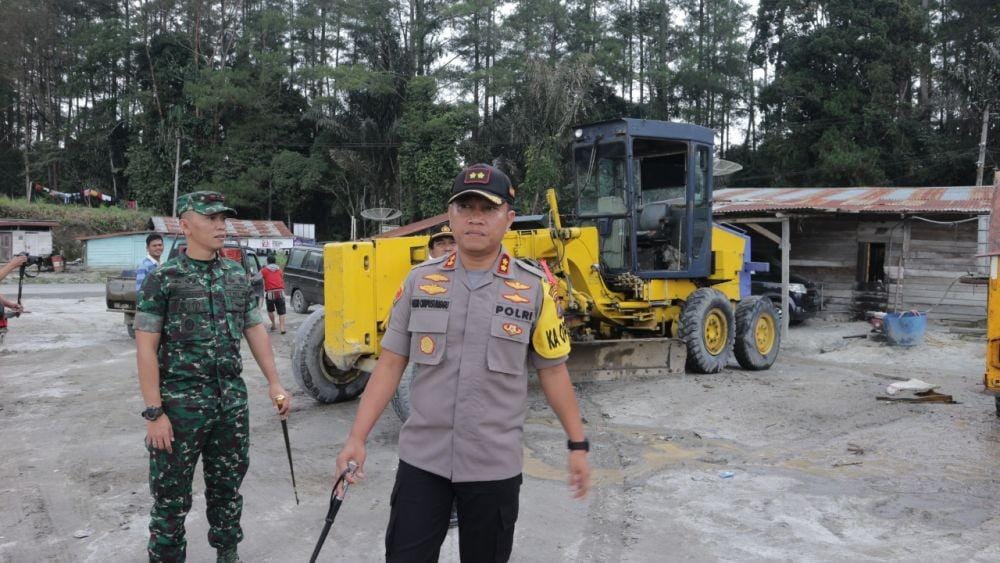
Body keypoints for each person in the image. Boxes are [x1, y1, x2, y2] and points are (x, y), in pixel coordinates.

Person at [335, 164, 590, 562]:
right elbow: (389, 364)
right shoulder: (419, 282)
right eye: (464, 206)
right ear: (450, 216)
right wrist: (357, 437)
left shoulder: (535, 289)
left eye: (487, 208)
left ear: (508, 218)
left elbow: (553, 370)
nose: (474, 217)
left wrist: (577, 444)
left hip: (494, 467)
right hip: (424, 461)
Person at [134, 191, 292, 563]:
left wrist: (274, 382)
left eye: (224, 219)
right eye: (211, 219)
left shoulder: (236, 275)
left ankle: (228, 554)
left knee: (227, 490)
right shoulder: (164, 279)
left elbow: (255, 330)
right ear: (186, 227)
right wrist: (154, 413)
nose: (221, 226)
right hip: (180, 409)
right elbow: (145, 348)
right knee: (171, 500)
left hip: (230, 406)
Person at [260, 255, 287, 334]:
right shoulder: (280, 270)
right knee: (281, 311)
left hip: (270, 293)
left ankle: (274, 325)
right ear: (275, 262)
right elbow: (281, 278)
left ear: (268, 262)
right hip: (280, 292)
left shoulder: (264, 270)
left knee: (270, 310)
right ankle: (282, 328)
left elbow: (256, 278)